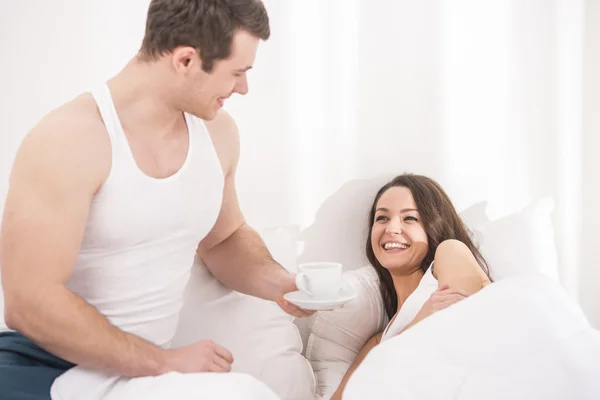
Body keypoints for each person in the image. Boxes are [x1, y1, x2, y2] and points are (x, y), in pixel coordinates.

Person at [0, 1, 312, 398]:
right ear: (185, 60)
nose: (243, 88)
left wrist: (282, 284)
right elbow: (29, 304)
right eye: (237, 72)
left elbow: (223, 237)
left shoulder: (218, 136)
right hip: (44, 366)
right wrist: (165, 363)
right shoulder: (71, 139)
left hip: (141, 376)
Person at [331, 173, 492, 399]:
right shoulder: (379, 341)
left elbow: (468, 340)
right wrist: (420, 321)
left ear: (434, 227)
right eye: (382, 218)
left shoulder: (450, 252)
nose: (391, 228)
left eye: (410, 219)